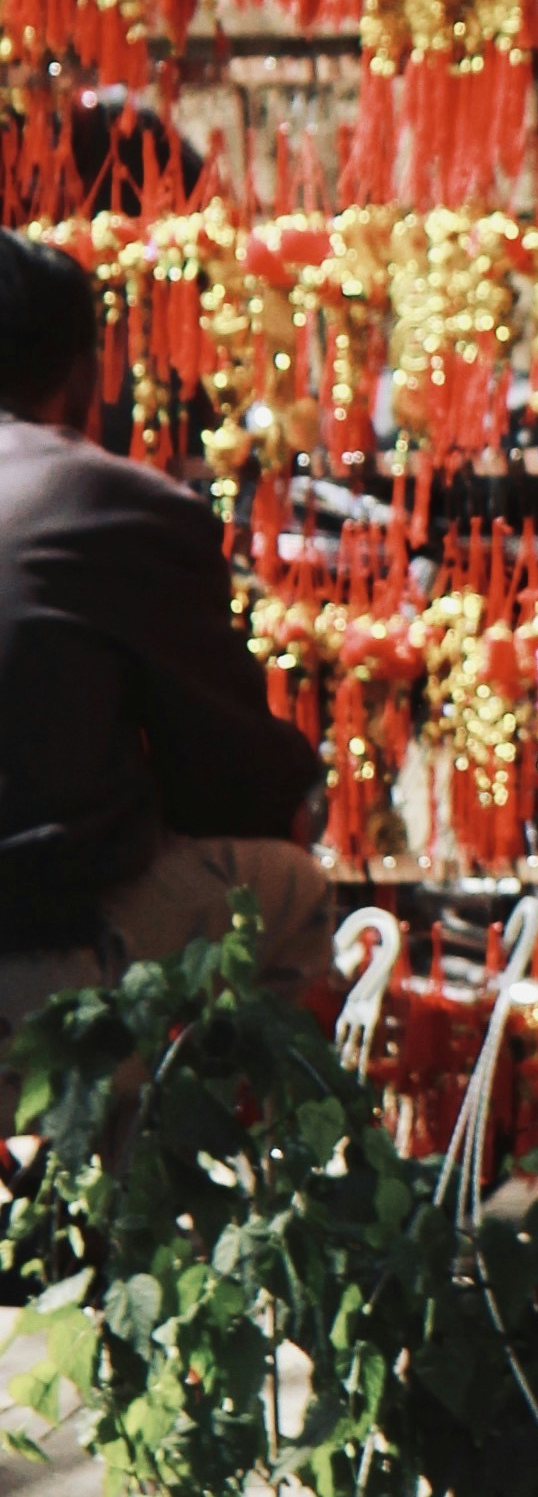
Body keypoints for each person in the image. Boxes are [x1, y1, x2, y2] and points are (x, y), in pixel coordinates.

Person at [0, 226, 333, 1012]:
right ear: (85, 376)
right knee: (289, 884)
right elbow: (235, 776)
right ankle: (147, 1130)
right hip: (35, 937)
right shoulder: (113, 503)